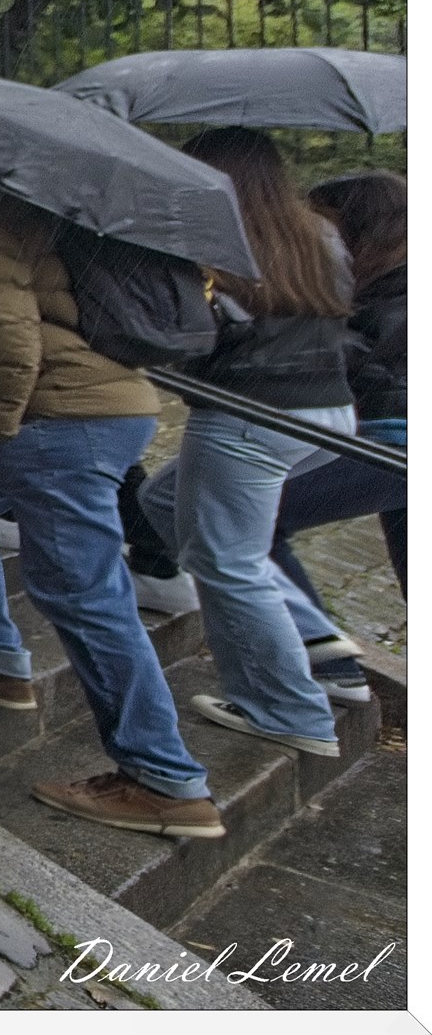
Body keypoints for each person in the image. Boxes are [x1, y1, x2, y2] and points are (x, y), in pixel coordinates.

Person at [0, 164, 220, 841]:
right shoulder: (38, 191)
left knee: (84, 593)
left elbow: (1, 332)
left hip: (56, 416)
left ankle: (165, 779)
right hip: (96, 402)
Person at [127, 129, 360, 761]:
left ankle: (289, 710)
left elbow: (188, 338)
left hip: (250, 416)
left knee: (230, 566)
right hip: (327, 412)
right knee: (162, 498)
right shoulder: (316, 234)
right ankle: (314, 636)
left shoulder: (215, 244)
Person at [265, 171, 406, 704]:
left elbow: (365, 373)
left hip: (388, 444)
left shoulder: (391, 294)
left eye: (326, 226)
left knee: (248, 516)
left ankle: (326, 660)